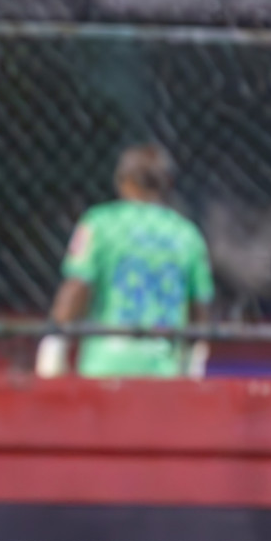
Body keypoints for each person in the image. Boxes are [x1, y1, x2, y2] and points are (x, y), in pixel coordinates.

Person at [36, 143, 215, 379]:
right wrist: (194, 360)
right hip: (163, 371)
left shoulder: (101, 223)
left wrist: (54, 346)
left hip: (108, 366)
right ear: (167, 184)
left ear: (123, 181)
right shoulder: (187, 234)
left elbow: (77, 286)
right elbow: (200, 308)